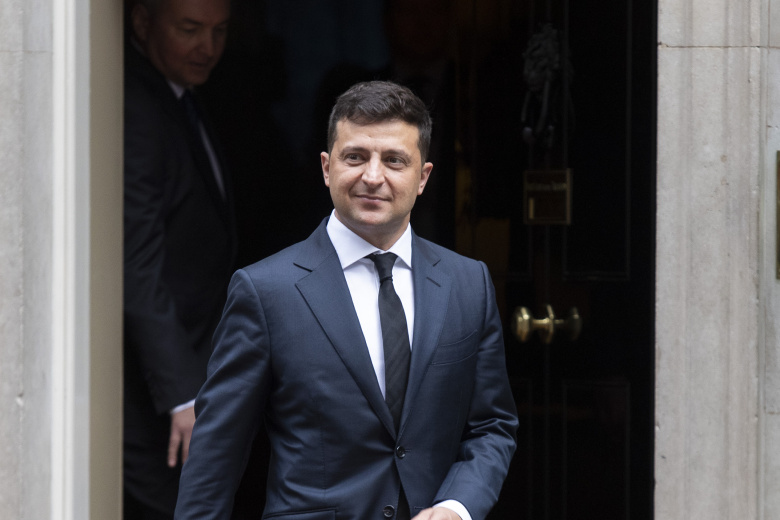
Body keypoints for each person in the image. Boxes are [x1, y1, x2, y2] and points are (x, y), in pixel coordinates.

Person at [174, 81, 517, 520]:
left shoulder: (469, 284)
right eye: (355, 157)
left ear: (423, 177)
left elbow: (492, 426)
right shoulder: (265, 291)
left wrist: (456, 507)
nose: (372, 177)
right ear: (326, 167)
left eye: (394, 160)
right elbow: (215, 456)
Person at [123, 0, 235, 518]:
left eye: (219, 31)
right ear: (142, 22)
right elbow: (136, 264)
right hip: (152, 396)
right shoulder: (137, 107)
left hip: (193, 368)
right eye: (189, 29)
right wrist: (182, 392)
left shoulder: (183, 97)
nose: (207, 48)